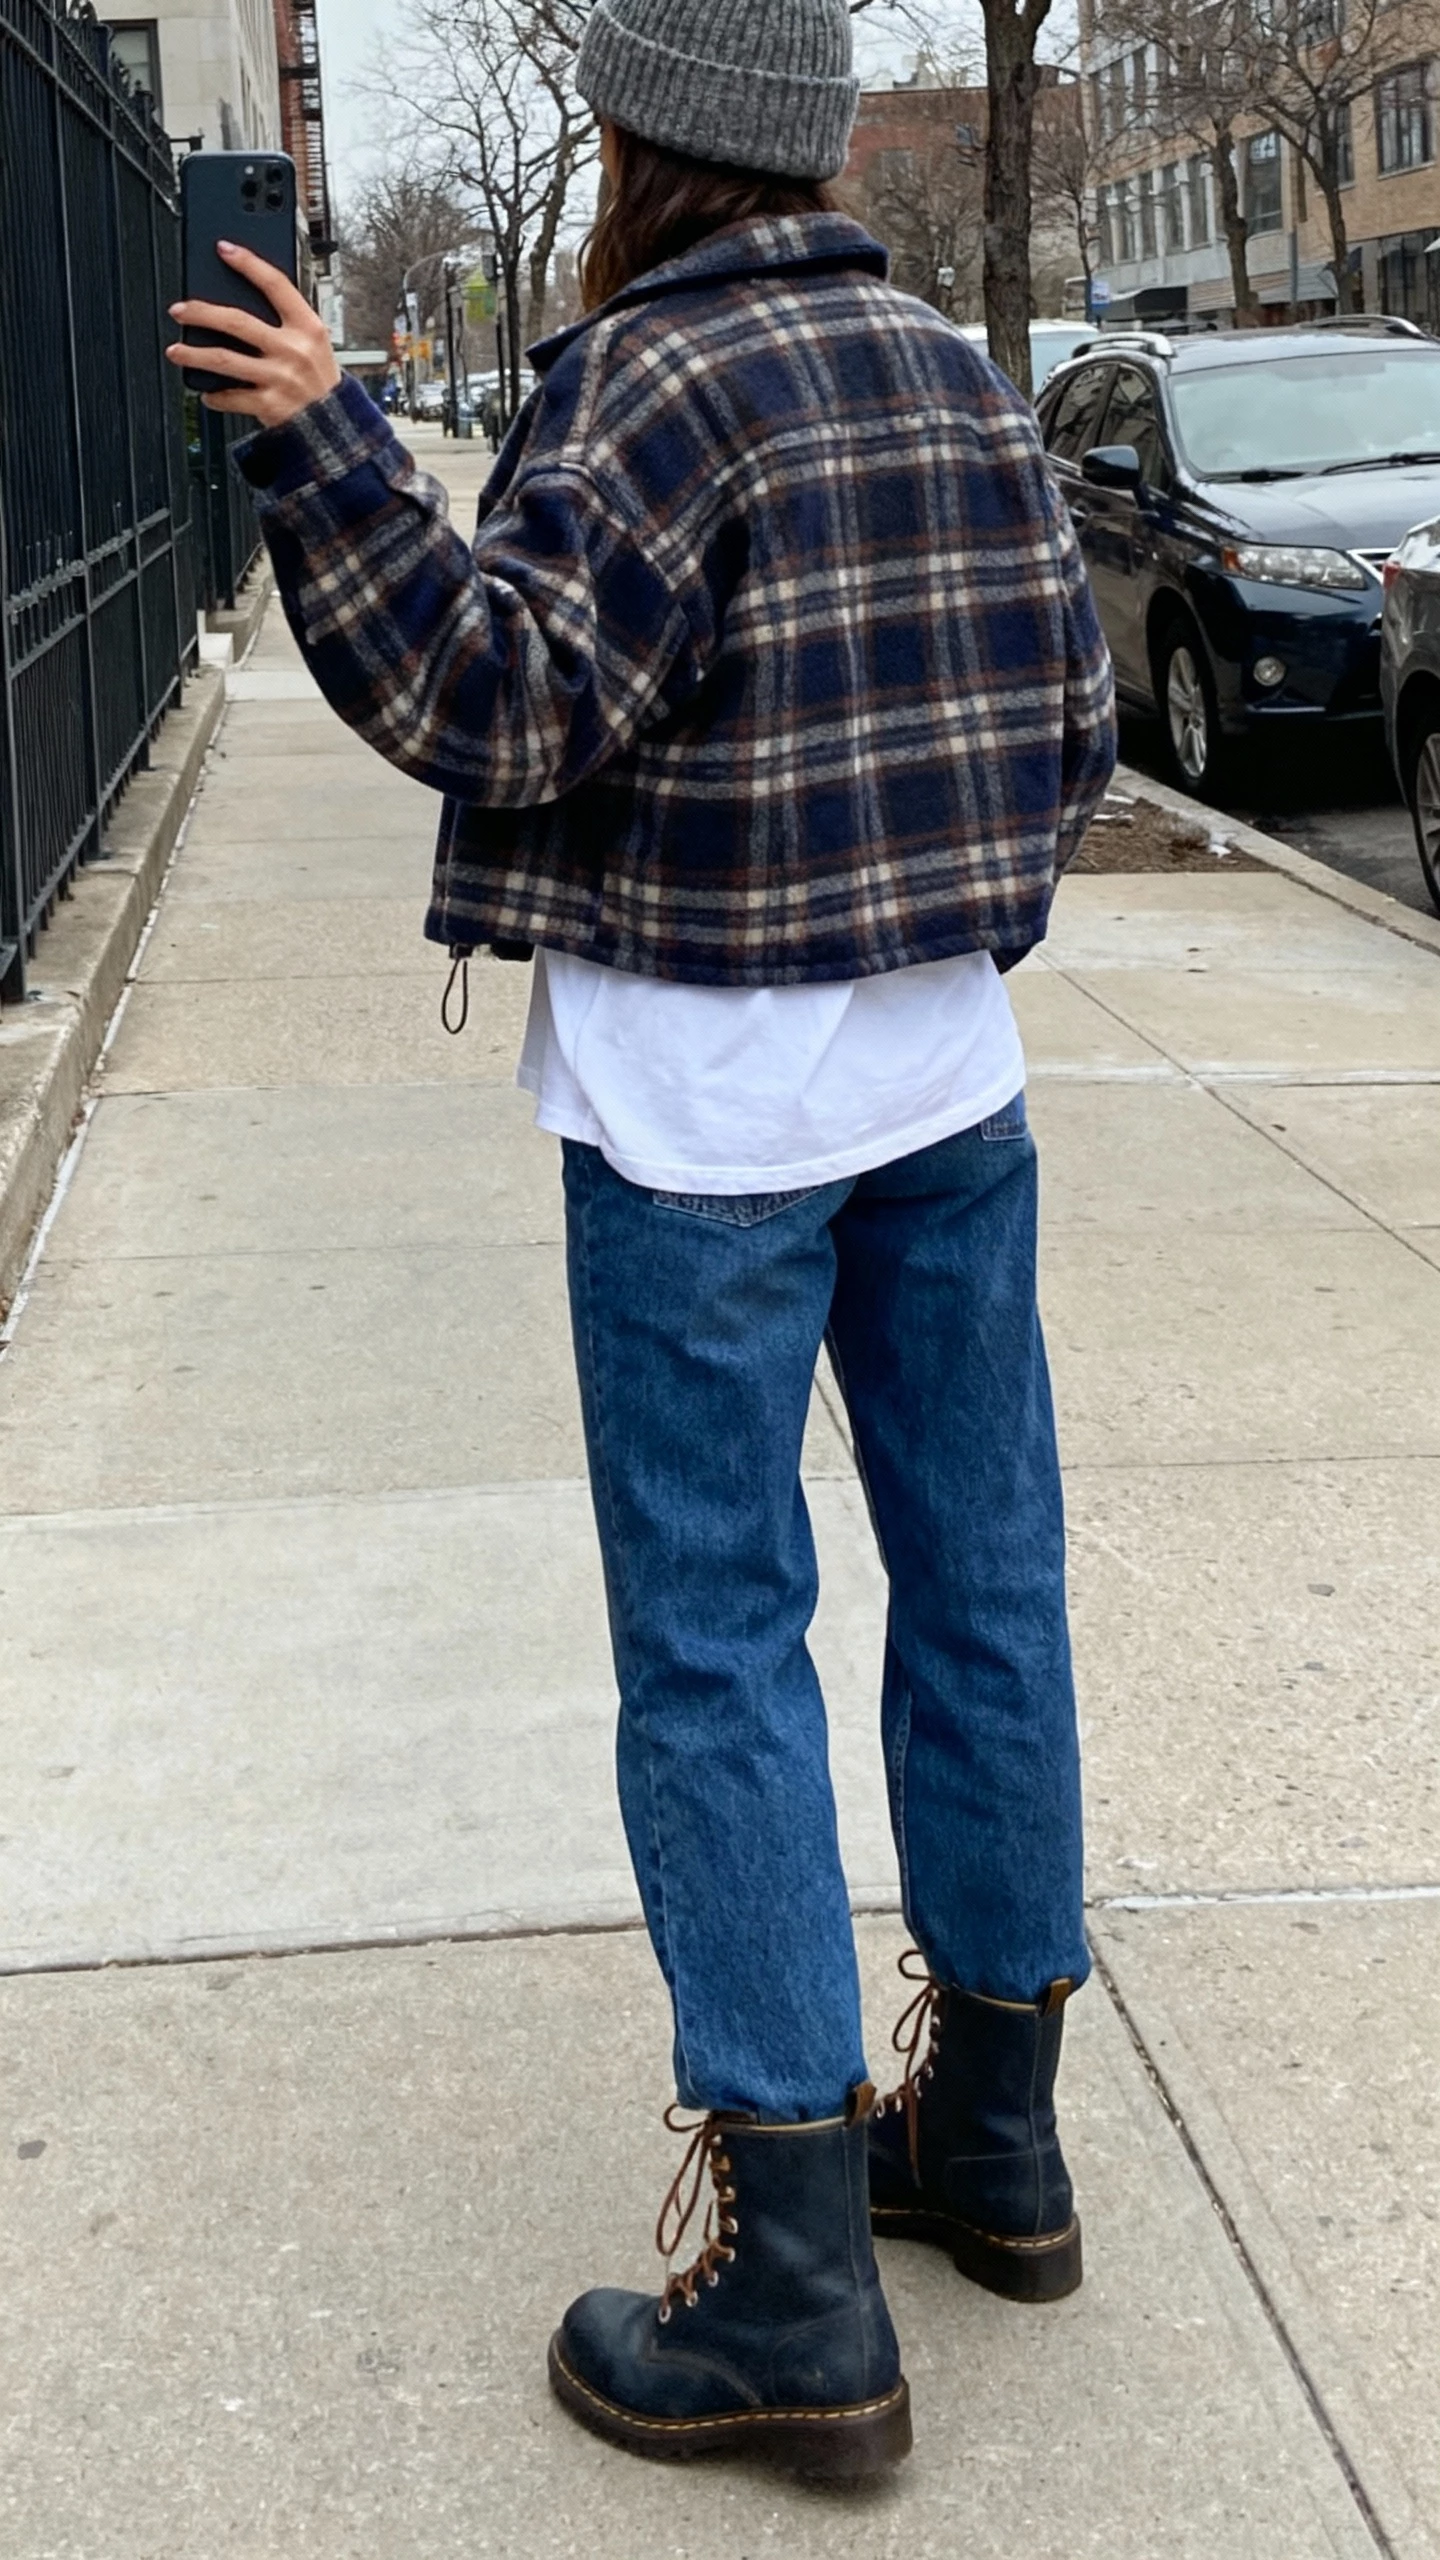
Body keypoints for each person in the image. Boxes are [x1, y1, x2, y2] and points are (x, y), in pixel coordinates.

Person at [166, 0, 1116, 2484]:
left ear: (640, 135)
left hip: (707, 1108)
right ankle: (994, 2136)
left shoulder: (648, 382)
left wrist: (327, 453)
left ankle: (797, 2281)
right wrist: (938, 900)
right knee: (985, 1578)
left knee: (718, 1639)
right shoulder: (953, 369)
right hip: (952, 1085)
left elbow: (501, 702)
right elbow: (1080, 721)